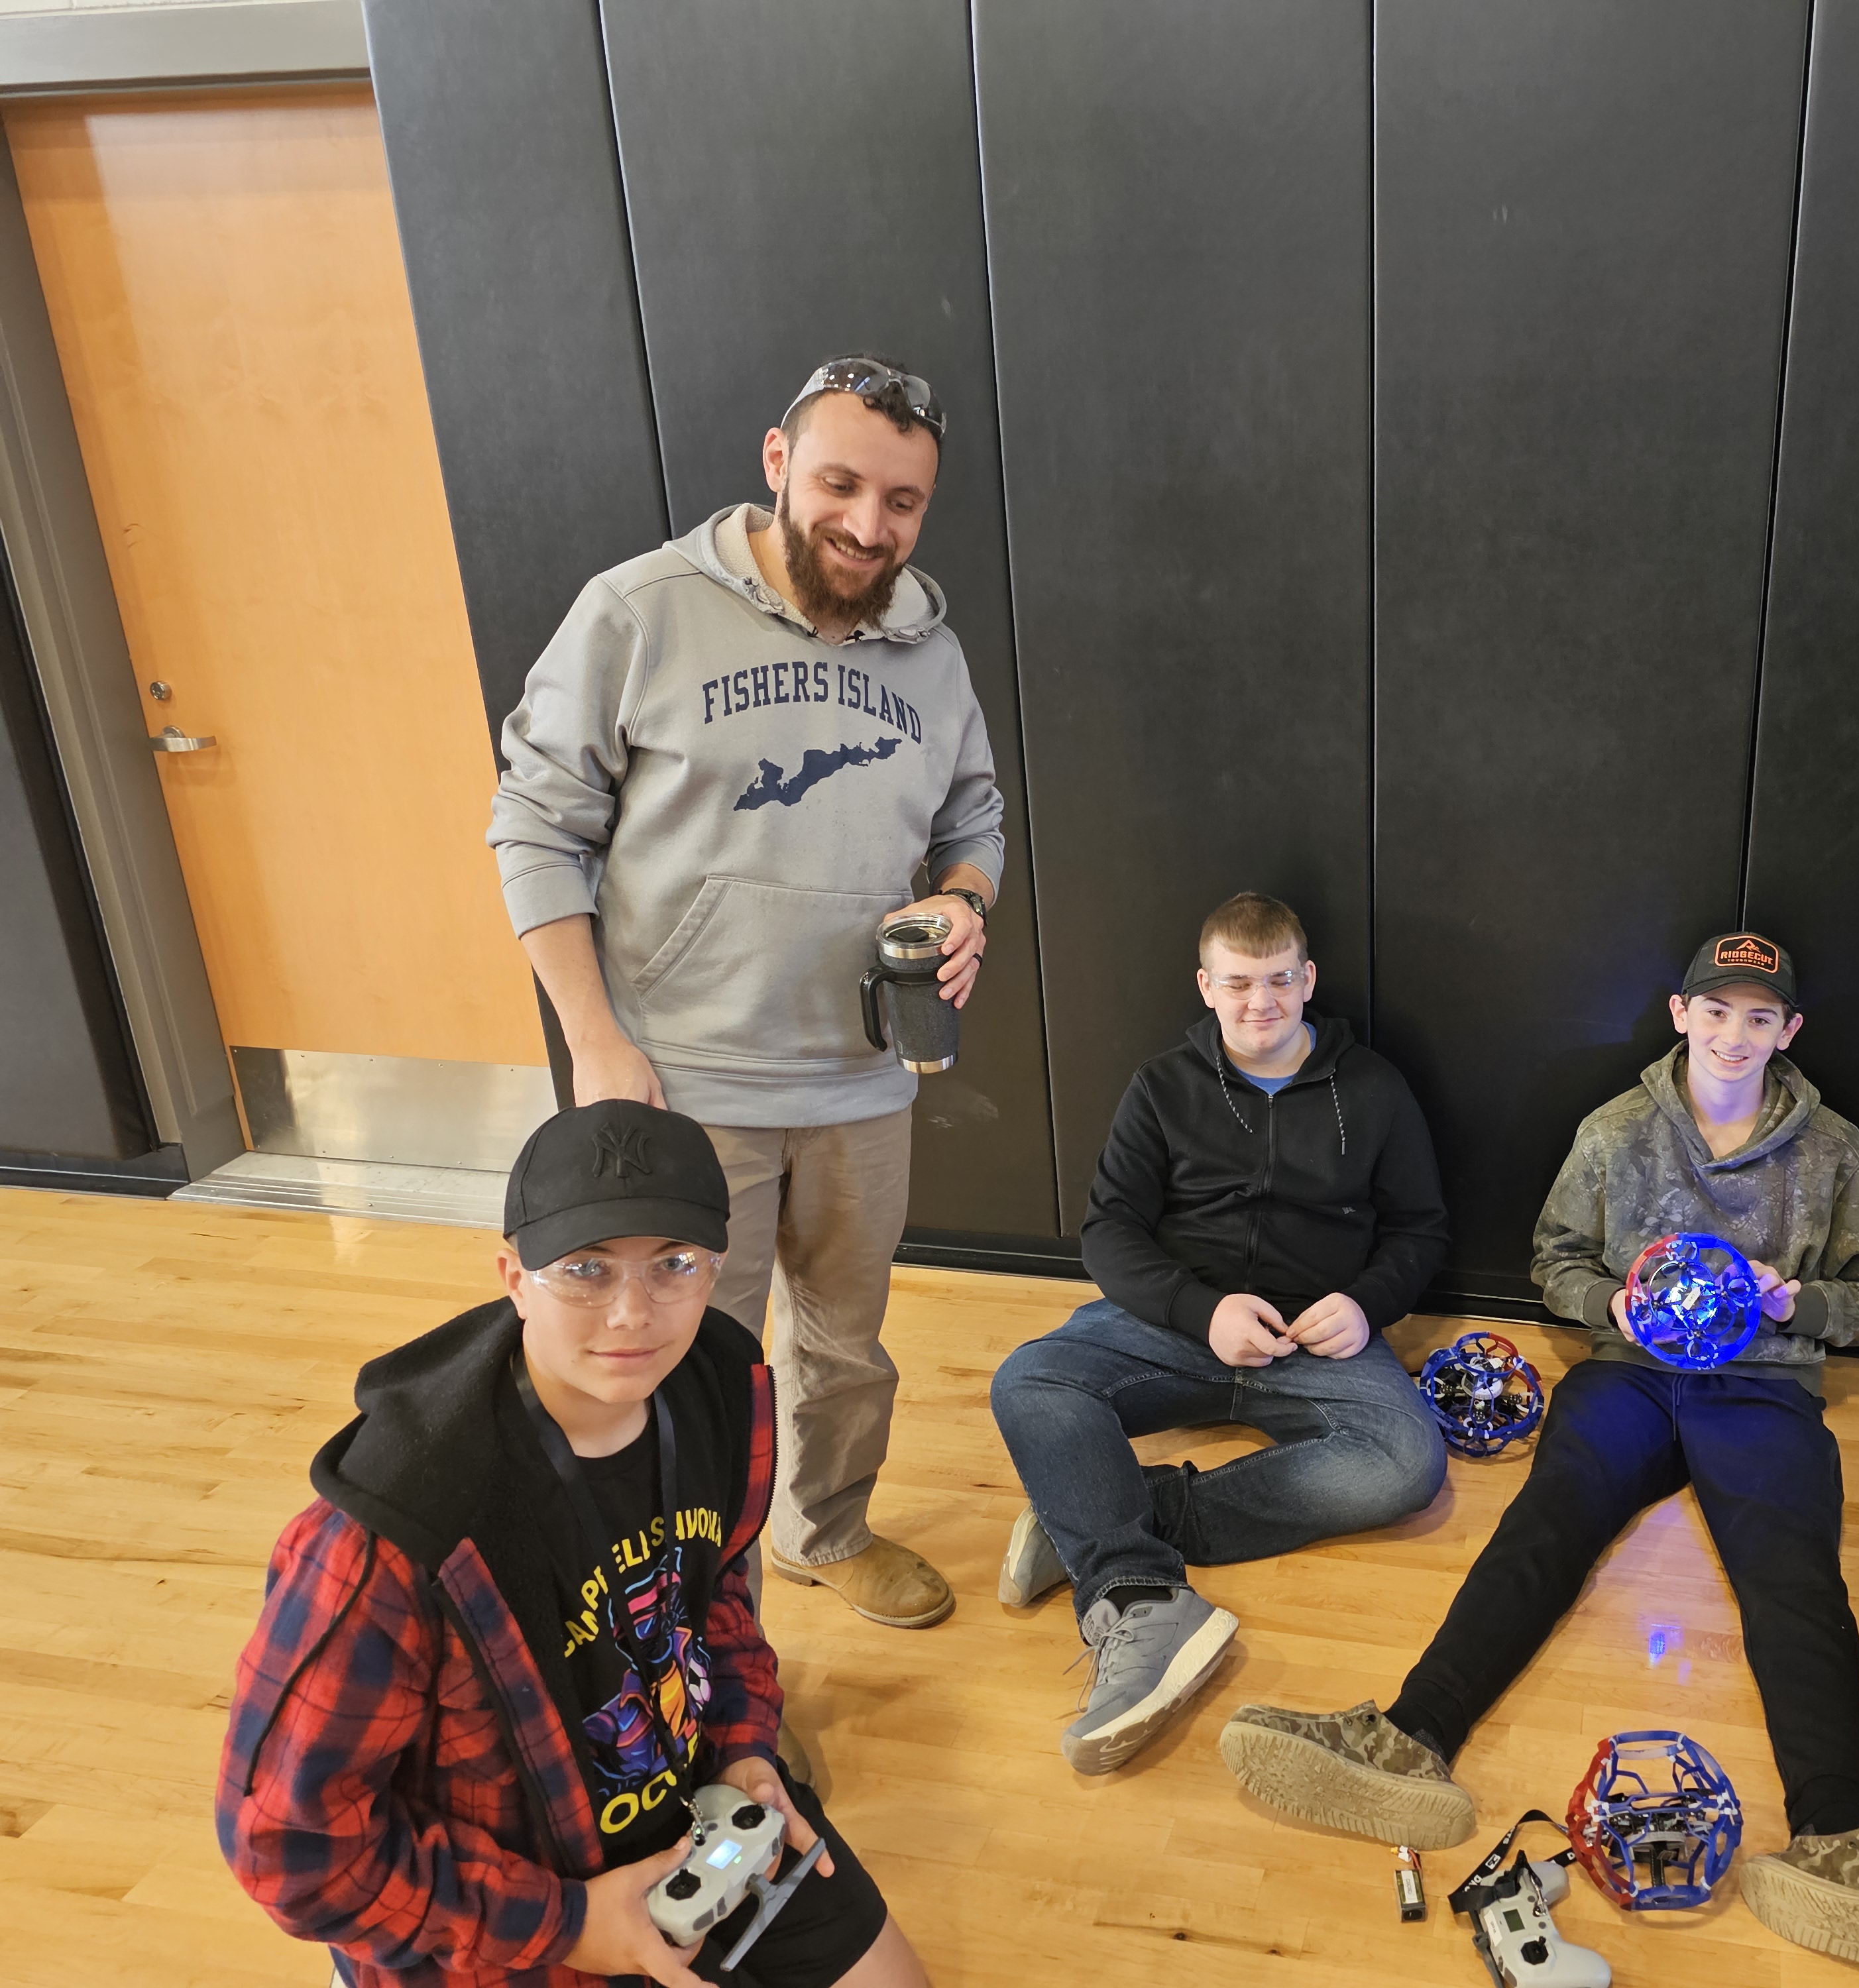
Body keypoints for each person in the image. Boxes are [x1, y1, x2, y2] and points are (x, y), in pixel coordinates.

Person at [1219, 930, 1859, 1981]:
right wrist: (1612, 1306)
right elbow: (1555, 1259)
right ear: (1681, 1015)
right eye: (1716, 1012)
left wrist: (1796, 1303)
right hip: (1630, 1373)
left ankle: (1838, 1841)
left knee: (1795, 1578)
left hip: (1762, 1385)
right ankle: (1409, 1738)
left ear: (1789, 1030)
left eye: (1759, 1018)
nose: (1734, 1036)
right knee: (1547, 1521)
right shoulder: (1615, 1130)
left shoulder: (1834, 1150)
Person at [490, 356, 1005, 1631]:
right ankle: (699, 1618)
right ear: (777, 462)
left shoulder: (931, 651)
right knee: (685, 1371)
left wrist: (964, 900)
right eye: (840, 485)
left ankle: (824, 1529)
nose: (868, 526)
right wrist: (595, 1041)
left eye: (902, 501)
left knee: (844, 1343)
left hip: (861, 1077)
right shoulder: (639, 613)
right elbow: (535, 825)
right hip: (679, 1081)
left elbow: (974, 819)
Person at [216, 1100, 930, 1988]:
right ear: (514, 1278)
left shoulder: (714, 1389)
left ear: (717, 1269)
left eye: (674, 1265)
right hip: (521, 1905)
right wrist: (570, 1922)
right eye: (586, 1270)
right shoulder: (389, 1536)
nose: (633, 1314)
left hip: (701, 1821)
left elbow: (713, 1598)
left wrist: (746, 1745)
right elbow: (290, 1849)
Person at [987, 892, 1450, 1775]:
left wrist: (1366, 1303)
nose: (1260, 1002)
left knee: (1406, 1464)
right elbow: (1109, 1233)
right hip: (1177, 1327)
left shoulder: (1375, 1088)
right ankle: (1139, 1595)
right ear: (1206, 987)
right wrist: (1201, 1311)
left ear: (1307, 979)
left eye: (1278, 981)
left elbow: (1420, 1232)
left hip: (1318, 1343)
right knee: (1031, 1381)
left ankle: (1103, 1519)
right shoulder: (1162, 1086)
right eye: (1238, 984)